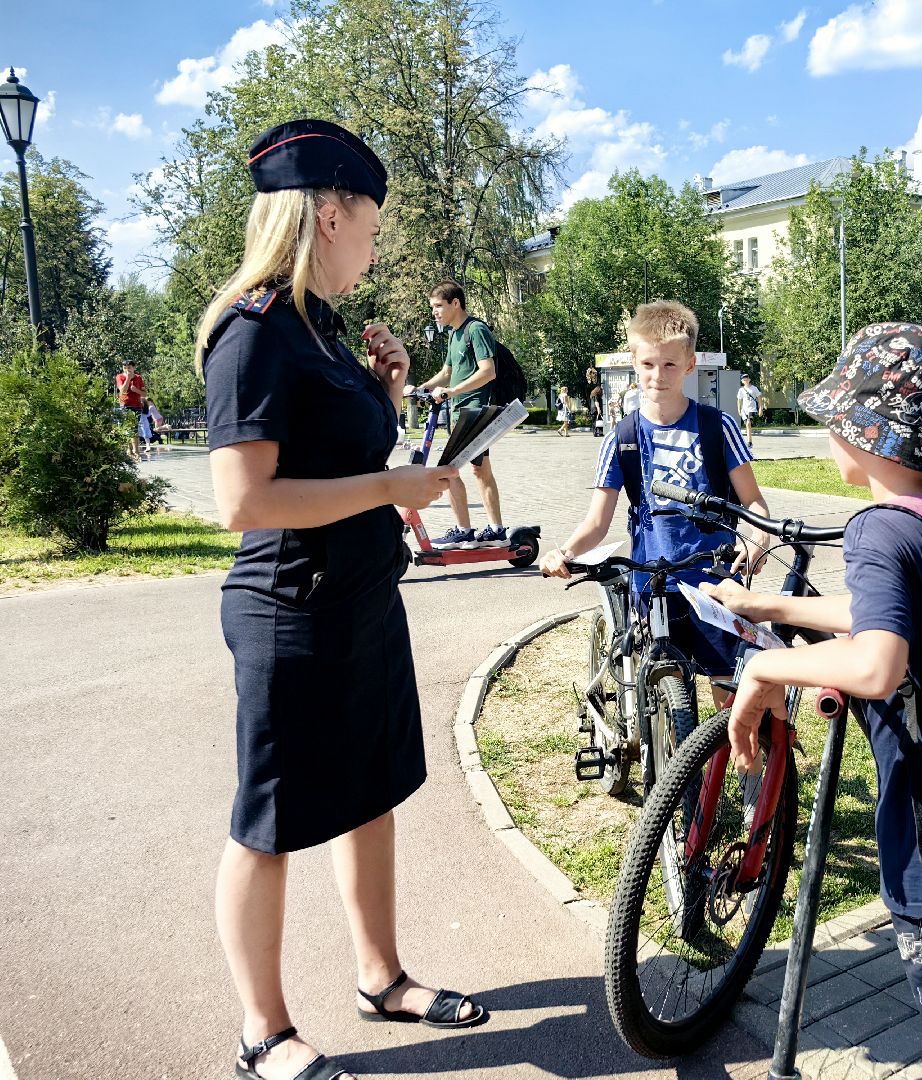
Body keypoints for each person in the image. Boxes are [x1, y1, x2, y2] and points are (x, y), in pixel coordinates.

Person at [195, 118, 484, 1080]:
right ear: (326, 212)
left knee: (369, 797)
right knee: (267, 824)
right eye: (369, 225)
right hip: (289, 612)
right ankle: (262, 1032)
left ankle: (382, 978)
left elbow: (338, 451)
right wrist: (386, 489)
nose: (375, 245)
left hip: (360, 602)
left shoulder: (319, 325)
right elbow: (243, 502)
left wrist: (390, 397)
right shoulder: (253, 329)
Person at [711, 323, 922, 1080]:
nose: (828, 436)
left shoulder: (879, 528)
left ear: (874, 435)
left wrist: (764, 675)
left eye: (836, 420)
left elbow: (880, 664)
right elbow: (899, 615)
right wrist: (777, 611)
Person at [538, 301, 771, 708]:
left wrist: (758, 542)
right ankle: (665, 764)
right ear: (633, 361)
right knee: (664, 695)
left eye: (668, 365)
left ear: (689, 364)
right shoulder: (622, 437)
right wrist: (565, 551)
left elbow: (755, 504)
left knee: (729, 692)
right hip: (653, 584)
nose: (657, 375)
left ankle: (726, 763)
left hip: (716, 582)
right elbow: (598, 519)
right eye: (647, 364)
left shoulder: (719, 428)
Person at [408, 281, 508, 549]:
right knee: (477, 470)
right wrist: (422, 388)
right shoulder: (454, 334)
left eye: (438, 306)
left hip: (475, 409)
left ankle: (467, 531)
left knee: (450, 470)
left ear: (455, 303)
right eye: (433, 307)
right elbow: (447, 372)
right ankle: (494, 531)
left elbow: (488, 371)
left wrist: (452, 391)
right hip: (460, 410)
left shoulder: (476, 330)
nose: (434, 312)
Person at [115, 360, 146, 461]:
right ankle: (129, 451)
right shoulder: (120, 377)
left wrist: (136, 390)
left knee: (134, 429)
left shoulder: (138, 378)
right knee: (128, 428)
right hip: (125, 405)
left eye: (129, 367)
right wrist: (128, 378)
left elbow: (145, 394)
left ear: (134, 368)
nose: (127, 370)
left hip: (137, 405)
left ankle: (136, 452)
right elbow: (123, 390)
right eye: (125, 368)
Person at [737, 373, 763, 447]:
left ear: (749, 380)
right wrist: (739, 409)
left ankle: (749, 442)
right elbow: (739, 400)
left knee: (748, 423)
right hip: (744, 410)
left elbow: (759, 398)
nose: (746, 381)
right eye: (744, 380)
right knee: (747, 425)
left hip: (752, 409)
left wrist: (761, 408)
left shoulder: (754, 388)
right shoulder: (741, 390)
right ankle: (749, 441)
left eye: (747, 379)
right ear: (742, 381)